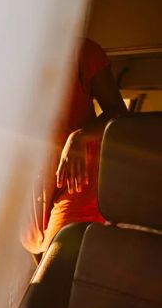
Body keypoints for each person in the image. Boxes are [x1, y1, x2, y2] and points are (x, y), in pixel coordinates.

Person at [22, 37, 128, 256]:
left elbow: (118, 112)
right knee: (39, 256)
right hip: (31, 185)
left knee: (56, 265)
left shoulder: (83, 51)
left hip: (76, 179)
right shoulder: (8, 58)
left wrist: (81, 136)